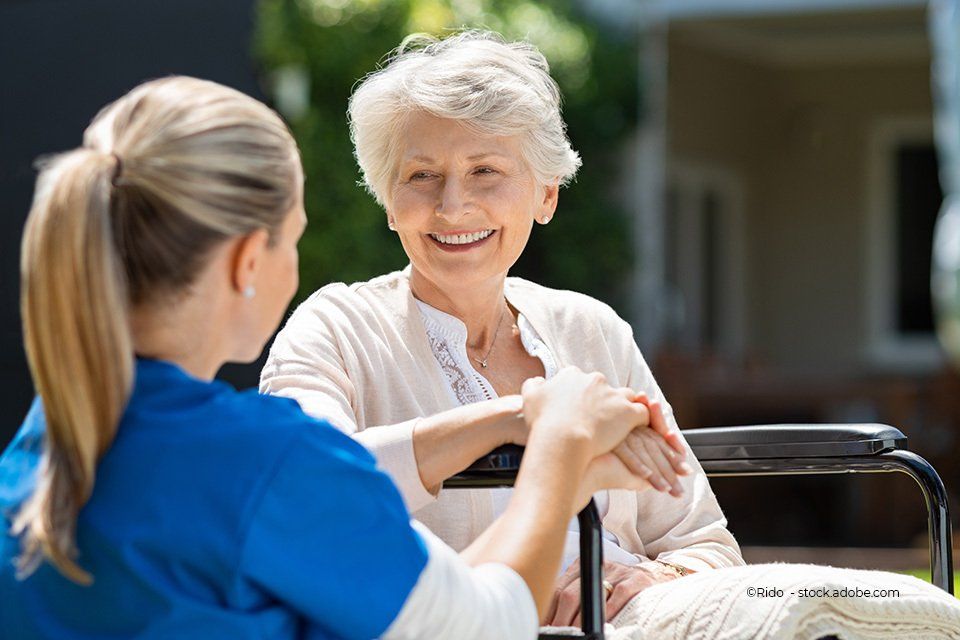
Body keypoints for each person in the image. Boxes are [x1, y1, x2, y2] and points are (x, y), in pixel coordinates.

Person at [0, 76, 665, 639]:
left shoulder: (39, 449)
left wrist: (519, 428)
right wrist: (559, 442)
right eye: (293, 240)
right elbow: (481, 625)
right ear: (246, 263)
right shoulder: (266, 465)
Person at [260, 30, 743, 628]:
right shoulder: (335, 328)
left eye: (485, 170)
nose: (453, 206)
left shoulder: (592, 330)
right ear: (388, 201)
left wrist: (645, 579)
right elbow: (305, 491)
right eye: (421, 176)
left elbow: (706, 545)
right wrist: (522, 419)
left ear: (545, 194)